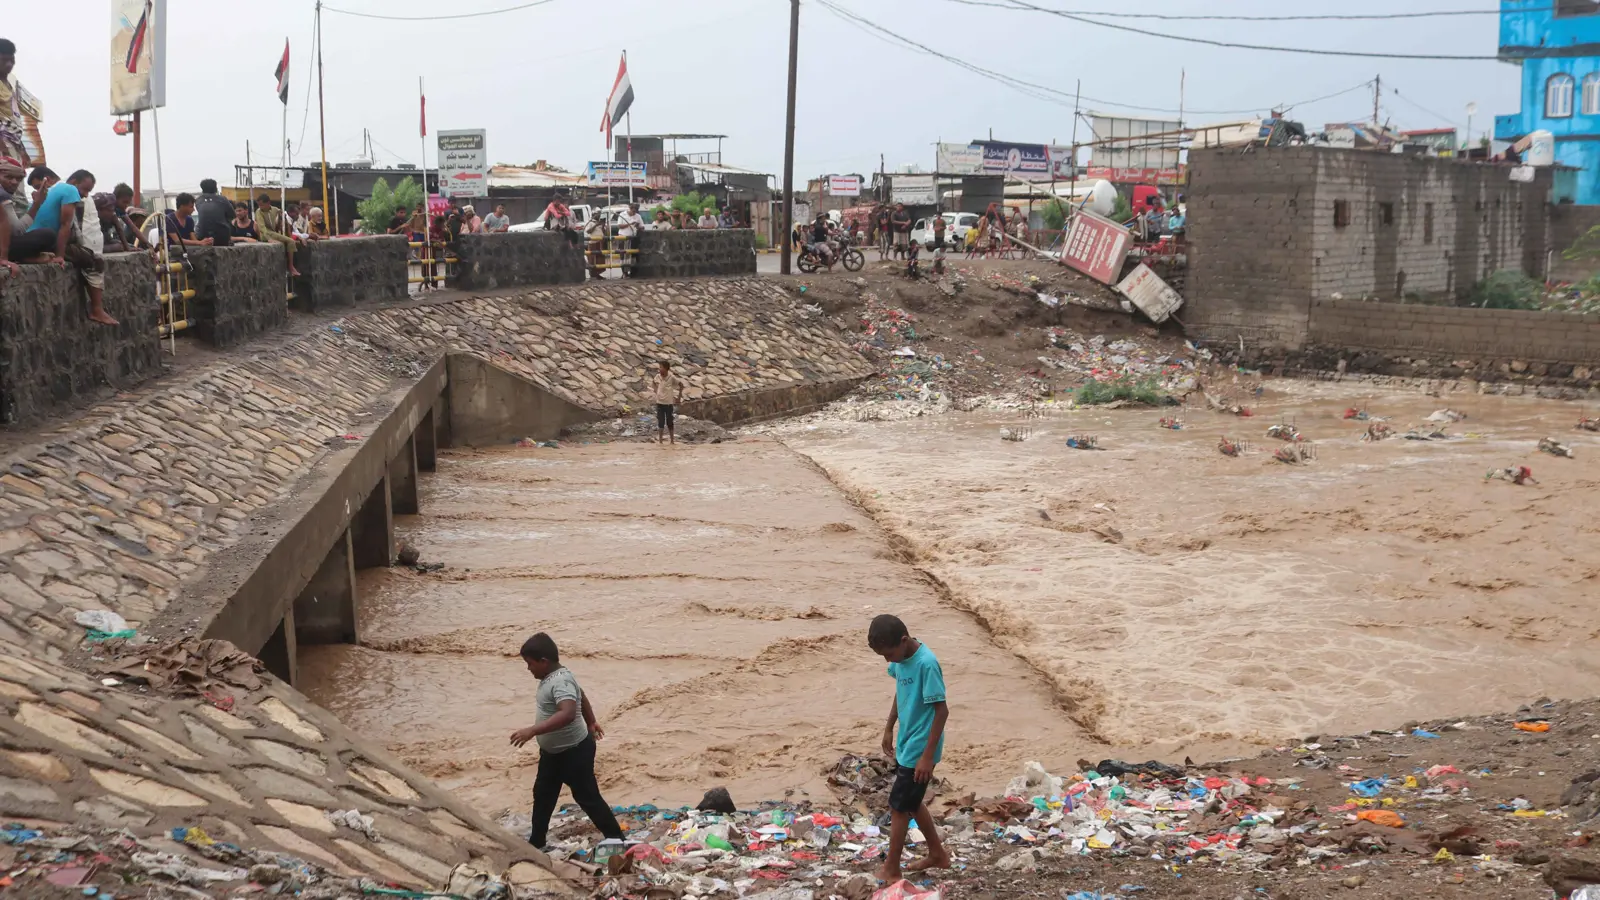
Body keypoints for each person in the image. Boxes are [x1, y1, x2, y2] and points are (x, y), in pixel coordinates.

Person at [509, 633, 625, 852]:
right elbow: (581, 694)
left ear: (544, 662)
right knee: (543, 794)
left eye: (530, 664)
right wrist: (591, 721)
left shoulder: (560, 680)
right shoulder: (556, 677)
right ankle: (537, 842)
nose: (528, 669)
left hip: (574, 752)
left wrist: (532, 730)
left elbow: (569, 713)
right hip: (553, 753)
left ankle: (617, 838)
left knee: (587, 796)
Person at [867, 614, 950, 884]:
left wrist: (927, 757)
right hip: (907, 740)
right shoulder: (900, 661)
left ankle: (892, 868)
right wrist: (889, 726)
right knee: (912, 803)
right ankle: (937, 854)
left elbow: (941, 711)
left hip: (921, 747)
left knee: (899, 806)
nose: (887, 661)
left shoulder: (926, 664)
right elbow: (899, 692)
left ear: (904, 641)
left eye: (889, 654)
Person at [27, 169, 117, 325]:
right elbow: (65, 225)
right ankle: (97, 310)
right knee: (95, 261)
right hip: (45, 239)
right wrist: (60, 255)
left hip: (33, 238)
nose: (86, 195)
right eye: (85, 189)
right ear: (74, 182)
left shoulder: (56, 189)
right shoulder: (69, 190)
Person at [254, 193, 301, 277]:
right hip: (266, 233)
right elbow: (262, 227)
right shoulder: (258, 212)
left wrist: (281, 215)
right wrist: (268, 238)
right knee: (290, 241)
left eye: (262, 205)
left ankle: (290, 265)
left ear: (268, 203)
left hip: (273, 233)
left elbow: (283, 217)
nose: (260, 207)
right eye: (259, 205)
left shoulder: (275, 210)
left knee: (290, 242)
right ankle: (291, 267)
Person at [0, 40, 29, 168]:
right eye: (5, 60)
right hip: (3, 144)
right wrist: (3, 148)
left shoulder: (10, 86)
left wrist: (22, 150)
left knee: (14, 183)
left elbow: (13, 120)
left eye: (12, 61)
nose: (9, 64)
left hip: (12, 141)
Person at [650, 360, 684, 444]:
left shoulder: (671, 377)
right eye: (659, 367)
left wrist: (679, 397)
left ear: (666, 369)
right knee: (660, 422)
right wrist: (656, 390)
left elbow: (681, 385)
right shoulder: (658, 376)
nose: (659, 369)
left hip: (668, 404)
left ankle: (672, 441)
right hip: (659, 403)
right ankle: (660, 441)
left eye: (661, 367)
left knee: (669, 422)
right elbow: (653, 382)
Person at [193, 179, 234, 247]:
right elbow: (232, 215)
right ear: (215, 188)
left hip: (202, 236)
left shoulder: (198, 200)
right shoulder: (222, 199)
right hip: (222, 237)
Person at [617, 203, 644, 275]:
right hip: (623, 237)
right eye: (633, 210)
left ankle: (632, 272)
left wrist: (638, 226)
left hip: (633, 238)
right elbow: (619, 226)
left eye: (635, 211)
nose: (634, 212)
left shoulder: (638, 216)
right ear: (630, 209)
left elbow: (642, 227)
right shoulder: (622, 215)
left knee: (632, 255)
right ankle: (624, 272)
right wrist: (630, 224)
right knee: (624, 255)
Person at [584, 208, 607, 278]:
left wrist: (603, 226)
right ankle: (593, 274)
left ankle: (597, 274)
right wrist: (596, 225)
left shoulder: (600, 222)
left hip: (600, 242)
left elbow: (604, 233)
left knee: (600, 259)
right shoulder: (590, 222)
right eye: (597, 214)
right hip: (593, 242)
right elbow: (588, 231)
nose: (599, 216)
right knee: (592, 259)